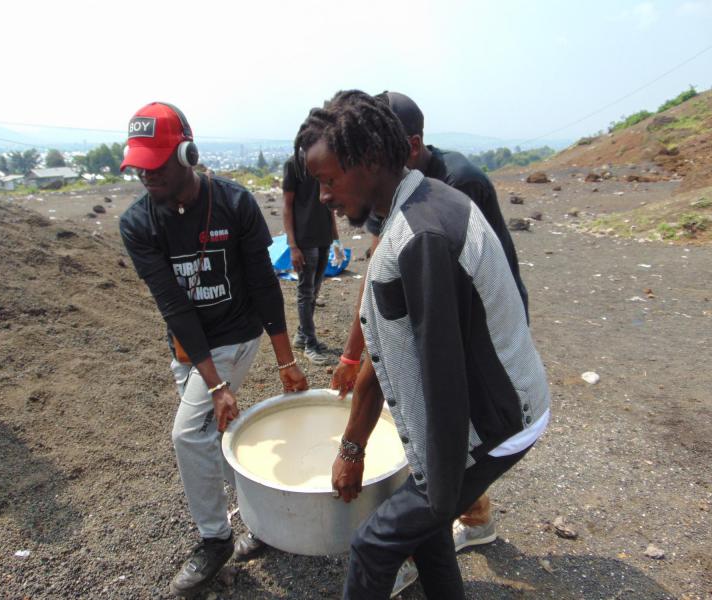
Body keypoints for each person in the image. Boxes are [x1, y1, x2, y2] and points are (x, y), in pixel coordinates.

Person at [295, 90, 550, 599]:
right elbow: (386, 345)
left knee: (373, 545)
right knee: (428, 538)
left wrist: (440, 493)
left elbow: (445, 379)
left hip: (495, 420)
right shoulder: (416, 200)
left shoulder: (422, 236)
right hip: (489, 407)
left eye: (328, 180)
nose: (323, 196)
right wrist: (360, 446)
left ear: (369, 160)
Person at [119, 102, 308, 598]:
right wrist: (214, 384)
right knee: (215, 435)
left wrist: (284, 359)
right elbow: (174, 308)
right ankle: (268, 519)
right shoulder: (138, 223)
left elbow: (266, 286)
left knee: (188, 435)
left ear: (188, 153)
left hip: (236, 333)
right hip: (188, 345)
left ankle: (214, 541)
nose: (147, 176)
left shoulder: (234, 204)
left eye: (157, 165)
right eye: (139, 166)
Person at [282, 154, 340, 365]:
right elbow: (287, 206)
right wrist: (292, 245)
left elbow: (329, 202)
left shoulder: (324, 161)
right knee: (306, 292)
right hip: (304, 239)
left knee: (314, 289)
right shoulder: (293, 164)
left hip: (323, 236)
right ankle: (310, 344)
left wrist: (336, 240)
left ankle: (302, 335)